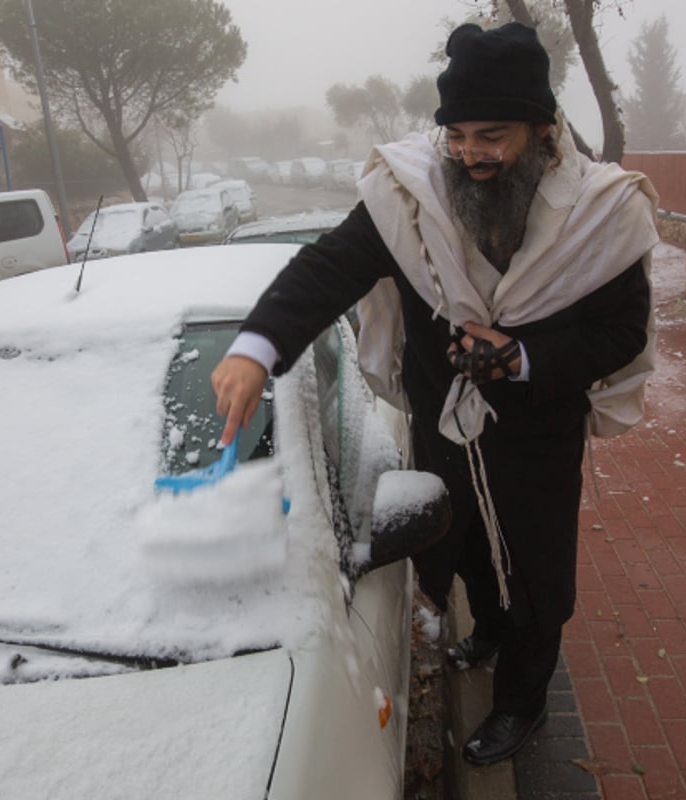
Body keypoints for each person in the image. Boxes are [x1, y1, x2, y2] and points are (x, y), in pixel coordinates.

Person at [210, 21, 658, 766]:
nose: (470, 155)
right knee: (466, 542)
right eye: (455, 135)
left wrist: (520, 356)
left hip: (536, 435)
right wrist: (259, 347)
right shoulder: (411, 195)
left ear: (543, 132)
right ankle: (484, 627)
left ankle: (521, 703)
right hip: (444, 420)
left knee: (537, 576)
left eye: (493, 136)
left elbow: (621, 331)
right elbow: (331, 266)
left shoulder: (600, 216)